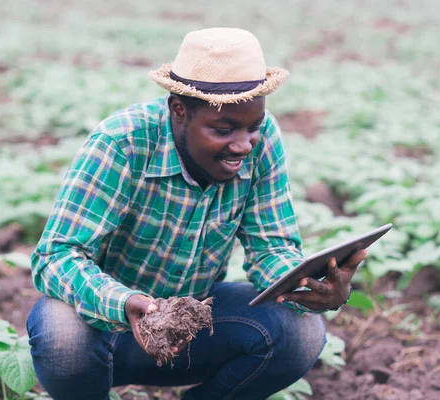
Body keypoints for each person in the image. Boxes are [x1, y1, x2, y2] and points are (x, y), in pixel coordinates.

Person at [26, 27, 367, 400]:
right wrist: (123, 304)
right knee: (61, 331)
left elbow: (272, 247)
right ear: (179, 110)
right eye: (223, 129)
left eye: (252, 127)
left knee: (302, 333)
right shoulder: (122, 142)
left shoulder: (263, 140)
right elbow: (56, 255)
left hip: (192, 330)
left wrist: (305, 285)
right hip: (104, 329)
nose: (243, 144)